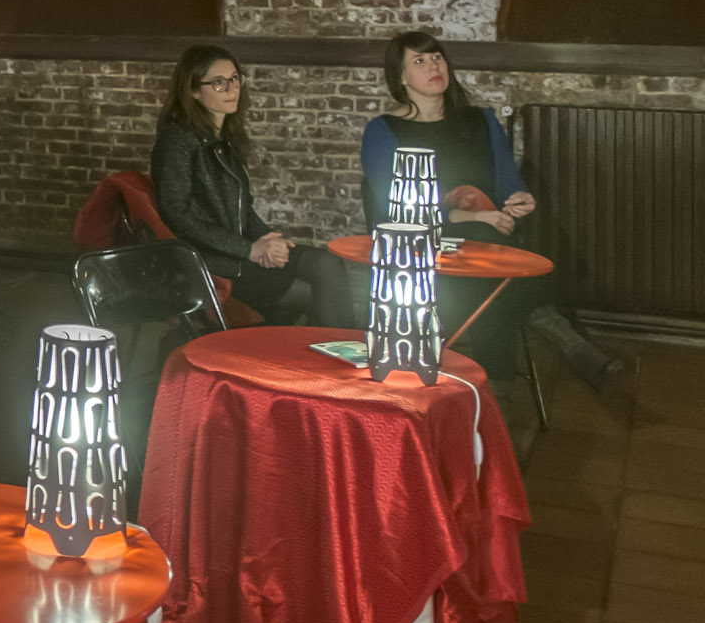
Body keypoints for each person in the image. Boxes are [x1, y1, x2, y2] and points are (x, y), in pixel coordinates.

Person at [360, 31, 621, 393]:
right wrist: (469, 218)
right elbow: (394, 205)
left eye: (436, 57)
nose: (434, 66)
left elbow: (507, 182)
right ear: (401, 77)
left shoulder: (480, 120)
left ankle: (495, 394)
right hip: (423, 248)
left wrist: (518, 197)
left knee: (494, 273)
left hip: (487, 238)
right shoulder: (383, 131)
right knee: (499, 276)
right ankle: (542, 362)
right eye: (419, 61)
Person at [152, 45, 353, 329]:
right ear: (194, 91)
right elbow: (179, 216)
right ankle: (341, 362)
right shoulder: (178, 141)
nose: (231, 88)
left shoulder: (223, 137)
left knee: (325, 264)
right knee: (315, 290)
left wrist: (269, 239)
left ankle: (334, 360)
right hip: (209, 264)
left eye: (235, 79)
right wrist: (251, 250)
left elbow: (241, 208)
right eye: (218, 83)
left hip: (235, 253)